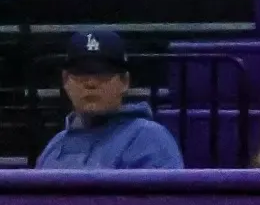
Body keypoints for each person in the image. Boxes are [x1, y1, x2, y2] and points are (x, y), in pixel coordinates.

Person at [33, 29, 183, 170]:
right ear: (65, 80)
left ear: (124, 81)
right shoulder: (55, 145)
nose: (91, 83)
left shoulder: (150, 139)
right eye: (81, 73)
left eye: (102, 73)